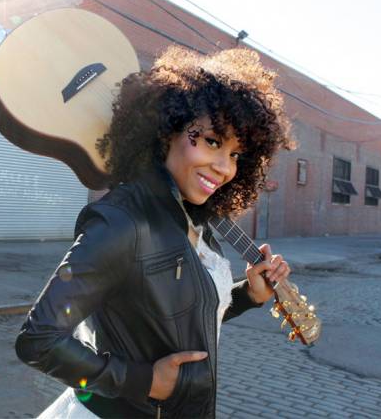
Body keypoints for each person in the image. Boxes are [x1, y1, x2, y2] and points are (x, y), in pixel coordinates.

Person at [15, 46, 295, 418]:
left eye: (236, 155)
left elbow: (175, 315)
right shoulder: (122, 221)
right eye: (212, 141)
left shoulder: (196, 219)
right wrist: (140, 380)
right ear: (168, 130)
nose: (225, 168)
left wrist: (248, 295)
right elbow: (38, 341)